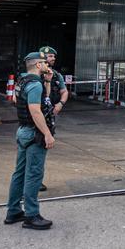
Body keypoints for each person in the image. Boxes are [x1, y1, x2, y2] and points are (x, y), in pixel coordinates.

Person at [5, 51, 55, 230]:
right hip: (35, 133)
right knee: (34, 174)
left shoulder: (22, 81)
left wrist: (48, 82)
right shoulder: (35, 85)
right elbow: (35, 110)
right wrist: (47, 133)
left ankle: (13, 211)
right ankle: (31, 215)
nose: (48, 64)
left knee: (19, 172)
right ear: (38, 65)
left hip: (23, 131)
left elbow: (42, 101)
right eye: (44, 62)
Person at [37, 45, 69, 192]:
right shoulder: (33, 76)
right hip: (36, 118)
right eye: (50, 57)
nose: (53, 59)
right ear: (42, 58)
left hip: (49, 116)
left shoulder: (56, 76)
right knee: (36, 149)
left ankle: (37, 180)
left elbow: (64, 92)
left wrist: (60, 104)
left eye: (54, 57)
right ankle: (33, 182)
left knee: (42, 149)